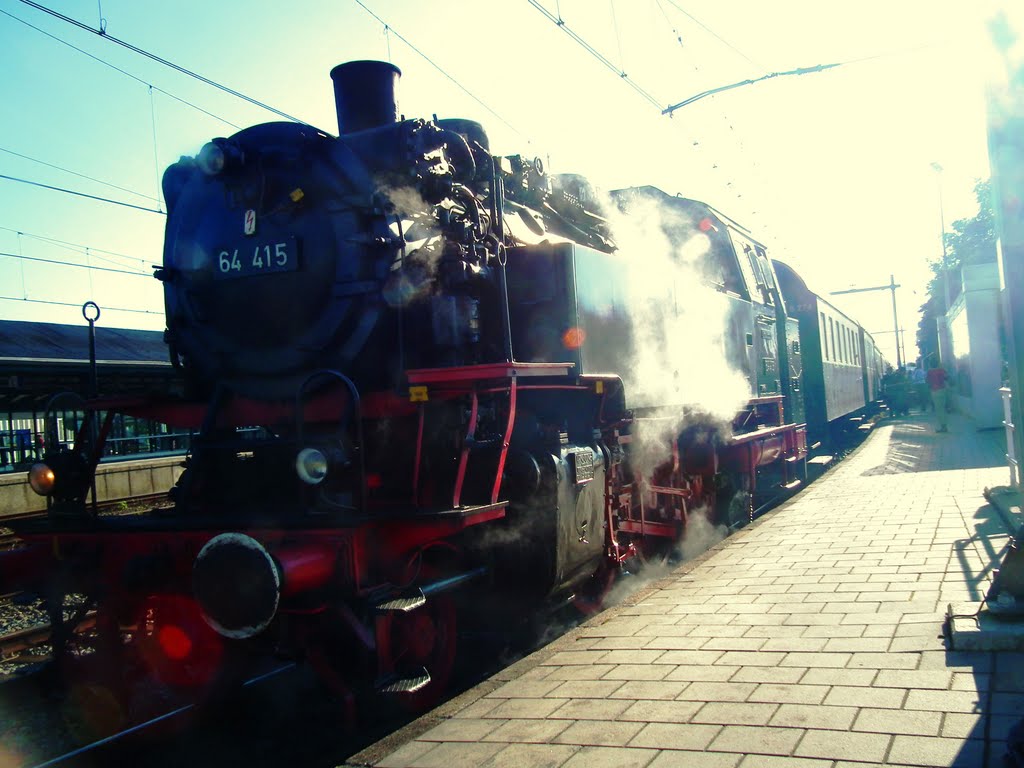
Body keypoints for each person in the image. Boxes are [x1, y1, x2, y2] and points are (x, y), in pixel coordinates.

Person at [926, 360, 950, 432]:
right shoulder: (941, 370)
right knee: (942, 408)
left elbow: (927, 381)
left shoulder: (929, 372)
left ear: (930, 364)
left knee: (939, 410)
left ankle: (943, 427)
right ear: (938, 364)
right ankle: (944, 425)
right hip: (943, 390)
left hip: (935, 391)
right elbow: (947, 377)